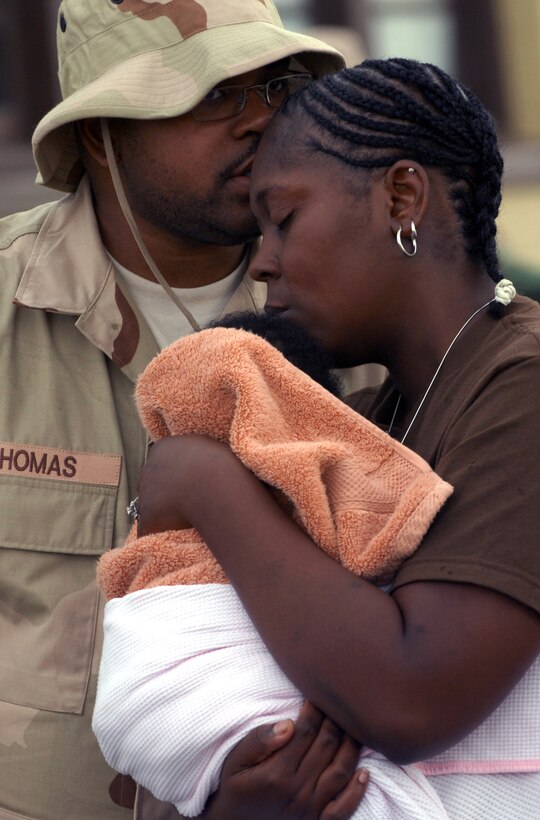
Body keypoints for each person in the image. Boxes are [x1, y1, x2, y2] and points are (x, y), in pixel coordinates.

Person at [135, 57, 540, 819]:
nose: (261, 263)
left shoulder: (525, 382)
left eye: (282, 218)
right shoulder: (364, 413)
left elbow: (412, 699)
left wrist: (203, 482)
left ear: (401, 196)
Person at [0, 1, 364, 818]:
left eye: (275, 88)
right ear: (99, 134)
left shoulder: (360, 309)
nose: (258, 122)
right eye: (210, 96)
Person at [91, 311, 452, 817]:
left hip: (155, 714)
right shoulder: (296, 479)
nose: (270, 261)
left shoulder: (359, 342)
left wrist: (201, 478)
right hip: (159, 690)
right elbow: (368, 551)